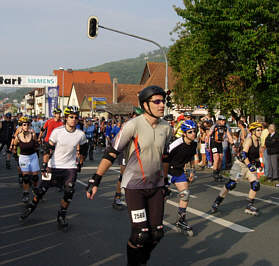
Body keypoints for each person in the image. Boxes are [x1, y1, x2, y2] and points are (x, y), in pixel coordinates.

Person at [86, 86, 172, 266]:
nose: (161, 105)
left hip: (156, 187)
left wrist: (165, 182)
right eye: (157, 101)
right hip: (134, 188)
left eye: (163, 101)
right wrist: (96, 179)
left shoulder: (166, 127)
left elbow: (165, 157)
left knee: (157, 233)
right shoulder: (133, 125)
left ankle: (140, 261)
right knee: (140, 234)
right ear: (145, 105)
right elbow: (111, 153)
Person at [20, 106, 88, 228]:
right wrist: (45, 164)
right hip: (54, 166)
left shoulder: (80, 134)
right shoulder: (58, 132)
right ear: (66, 118)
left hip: (69, 167)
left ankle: (61, 215)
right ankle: (31, 207)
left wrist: (80, 162)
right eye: (71, 117)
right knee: (41, 191)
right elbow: (48, 148)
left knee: (69, 191)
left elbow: (84, 149)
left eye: (76, 118)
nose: (73, 119)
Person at [210, 122, 263, 216]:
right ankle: (217, 202)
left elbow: (255, 155)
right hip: (240, 165)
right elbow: (243, 154)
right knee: (231, 184)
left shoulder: (258, 141)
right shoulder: (249, 140)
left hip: (249, 165)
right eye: (258, 130)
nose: (260, 132)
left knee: (255, 185)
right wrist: (250, 165)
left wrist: (258, 163)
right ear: (253, 131)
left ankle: (249, 206)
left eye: (261, 130)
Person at [165, 120, 198, 236]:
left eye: (195, 131)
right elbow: (164, 157)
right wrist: (163, 176)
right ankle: (155, 220)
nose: (193, 134)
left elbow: (191, 158)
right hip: (167, 170)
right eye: (190, 132)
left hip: (179, 171)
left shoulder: (194, 144)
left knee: (185, 194)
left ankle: (181, 220)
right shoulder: (177, 144)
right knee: (163, 196)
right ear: (184, 133)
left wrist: (192, 171)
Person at [12, 116, 40, 203]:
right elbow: (15, 146)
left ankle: (35, 189)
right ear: (21, 126)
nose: (26, 126)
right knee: (26, 177)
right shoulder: (18, 137)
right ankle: (26, 193)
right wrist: (15, 155)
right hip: (23, 158)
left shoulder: (33, 134)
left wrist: (38, 151)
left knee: (35, 177)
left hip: (33, 156)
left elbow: (36, 145)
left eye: (28, 124)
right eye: (24, 125)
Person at [209, 115, 233, 181]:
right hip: (214, 143)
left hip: (220, 144)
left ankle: (218, 172)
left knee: (221, 157)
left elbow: (229, 136)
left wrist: (233, 144)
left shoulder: (225, 127)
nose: (223, 122)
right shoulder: (215, 126)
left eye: (224, 121)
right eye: (222, 121)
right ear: (219, 121)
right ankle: (214, 173)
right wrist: (207, 145)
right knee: (216, 157)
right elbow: (208, 135)